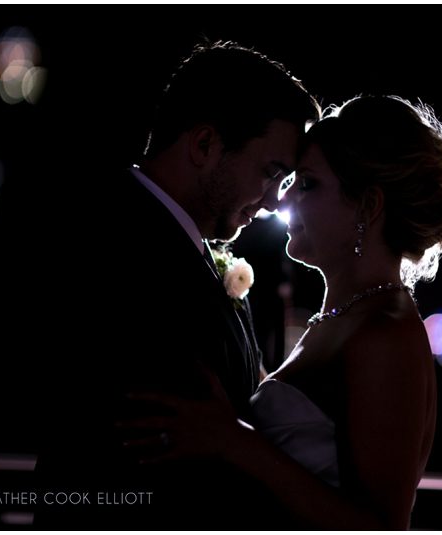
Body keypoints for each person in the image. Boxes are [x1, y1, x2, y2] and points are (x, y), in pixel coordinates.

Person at [120, 95, 442, 529]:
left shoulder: (386, 333)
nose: (283, 201)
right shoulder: (343, 316)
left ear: (368, 205)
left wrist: (235, 441)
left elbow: (380, 527)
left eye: (307, 184)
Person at [32, 40, 320, 528]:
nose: (274, 201)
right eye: (271, 173)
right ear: (204, 144)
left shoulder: (179, 245)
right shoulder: (115, 244)